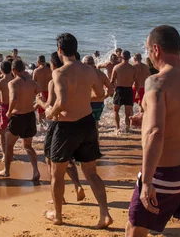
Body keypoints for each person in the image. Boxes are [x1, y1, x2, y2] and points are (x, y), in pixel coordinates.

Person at [126, 25, 180, 237]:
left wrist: (146, 181)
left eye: (148, 50)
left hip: (165, 174)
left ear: (156, 49)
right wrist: (146, 118)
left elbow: (156, 132)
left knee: (134, 229)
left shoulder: (156, 82)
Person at [44, 33, 111, 229]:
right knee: (91, 173)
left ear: (59, 51)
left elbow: (62, 104)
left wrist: (50, 112)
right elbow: (99, 94)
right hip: (88, 123)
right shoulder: (90, 71)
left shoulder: (59, 73)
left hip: (67, 127)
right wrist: (81, 96)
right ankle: (104, 214)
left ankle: (57, 215)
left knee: (57, 173)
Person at [39, 52, 86, 204]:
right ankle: (78, 185)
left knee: (51, 160)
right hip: (75, 122)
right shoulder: (73, 77)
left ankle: (60, 197)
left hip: (57, 122)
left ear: (53, 65)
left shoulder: (54, 80)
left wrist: (39, 102)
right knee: (68, 160)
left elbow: (50, 105)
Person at [0, 60, 40, 181]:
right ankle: (36, 170)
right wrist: (35, 106)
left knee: (8, 144)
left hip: (18, 116)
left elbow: (14, 98)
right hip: (30, 115)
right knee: (28, 146)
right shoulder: (31, 82)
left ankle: (6, 170)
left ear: (13, 70)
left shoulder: (13, 83)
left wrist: (9, 112)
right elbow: (40, 95)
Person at [83, 55, 114, 126]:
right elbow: (111, 89)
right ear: (94, 63)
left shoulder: (83, 74)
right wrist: (103, 97)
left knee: (86, 125)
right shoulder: (101, 74)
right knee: (96, 123)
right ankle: (96, 136)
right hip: (99, 103)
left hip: (88, 103)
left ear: (84, 64)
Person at [111, 50, 136, 133]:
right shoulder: (133, 68)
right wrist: (138, 92)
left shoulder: (116, 67)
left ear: (120, 57)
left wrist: (112, 90)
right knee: (128, 112)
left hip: (119, 90)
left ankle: (118, 128)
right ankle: (127, 128)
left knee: (115, 110)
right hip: (129, 89)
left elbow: (112, 81)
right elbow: (137, 82)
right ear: (129, 57)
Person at [0, 61, 14, 161]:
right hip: (13, 107)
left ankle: (4, 154)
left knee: (1, 132)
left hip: (3, 107)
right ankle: (10, 152)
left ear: (1, 70)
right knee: (11, 132)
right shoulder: (15, 80)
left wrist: (1, 101)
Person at [33, 55, 53, 126]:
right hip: (49, 92)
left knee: (40, 112)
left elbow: (34, 83)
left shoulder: (36, 71)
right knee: (47, 109)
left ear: (38, 62)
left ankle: (40, 125)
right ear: (45, 61)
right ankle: (46, 125)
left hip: (41, 93)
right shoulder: (50, 70)